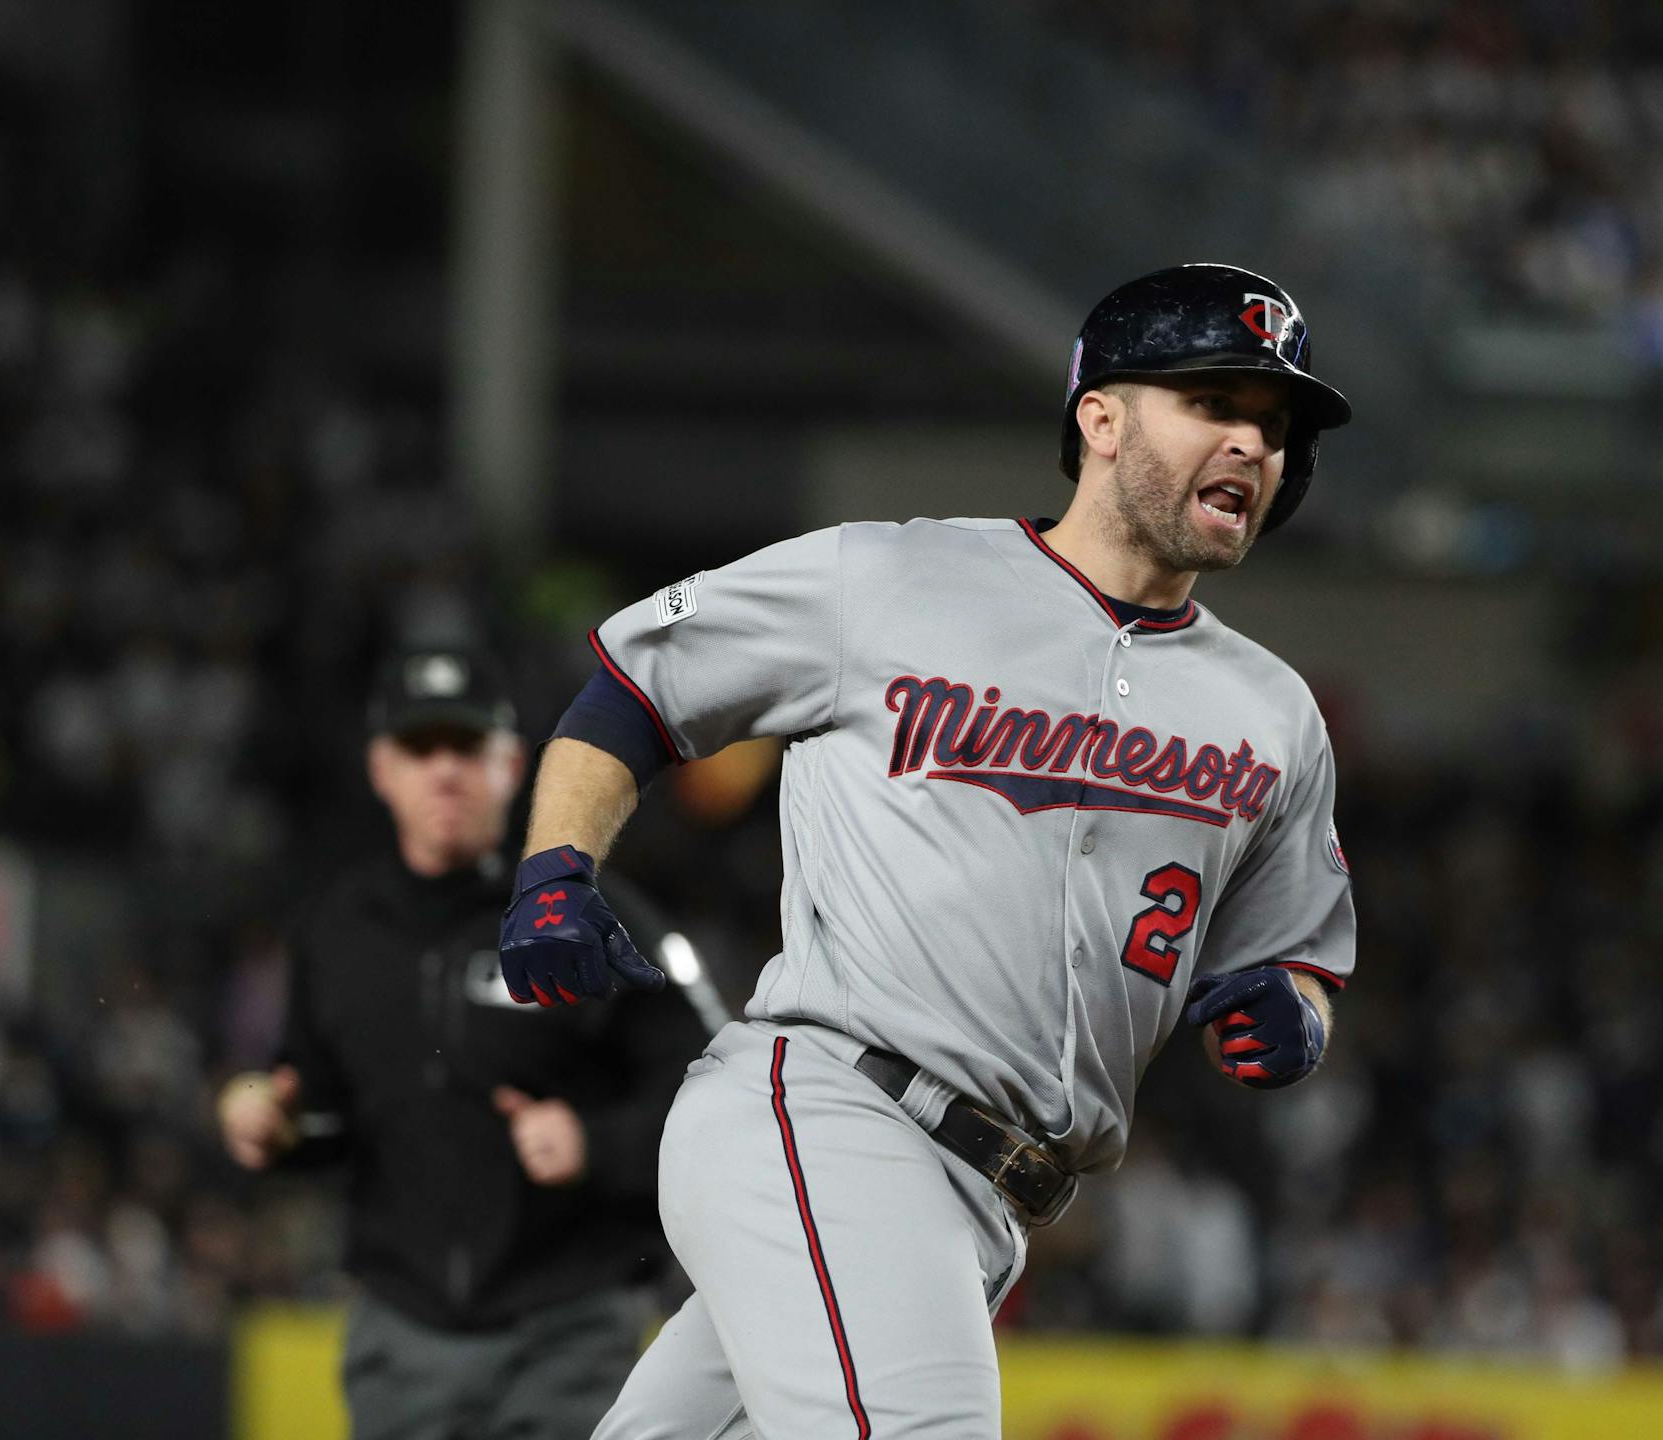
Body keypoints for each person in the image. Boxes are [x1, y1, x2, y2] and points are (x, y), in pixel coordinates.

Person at [499, 263, 1358, 1438]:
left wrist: (1292, 1006)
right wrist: (556, 871)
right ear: (1100, 419)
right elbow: (632, 689)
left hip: (987, 1210)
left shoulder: (1273, 711)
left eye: (1275, 425)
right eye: (1215, 404)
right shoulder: (892, 578)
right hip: (834, 1114)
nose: (1255, 444)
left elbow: (1293, 949)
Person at [218, 644, 705, 1440]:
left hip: (566, 1334)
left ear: (513, 764)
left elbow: (714, 1091)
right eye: (419, 748)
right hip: (400, 1340)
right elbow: (324, 1117)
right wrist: (277, 1130)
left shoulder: (592, 918)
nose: (445, 770)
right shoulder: (334, 934)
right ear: (382, 768)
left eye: (468, 747)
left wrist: (596, 1142)